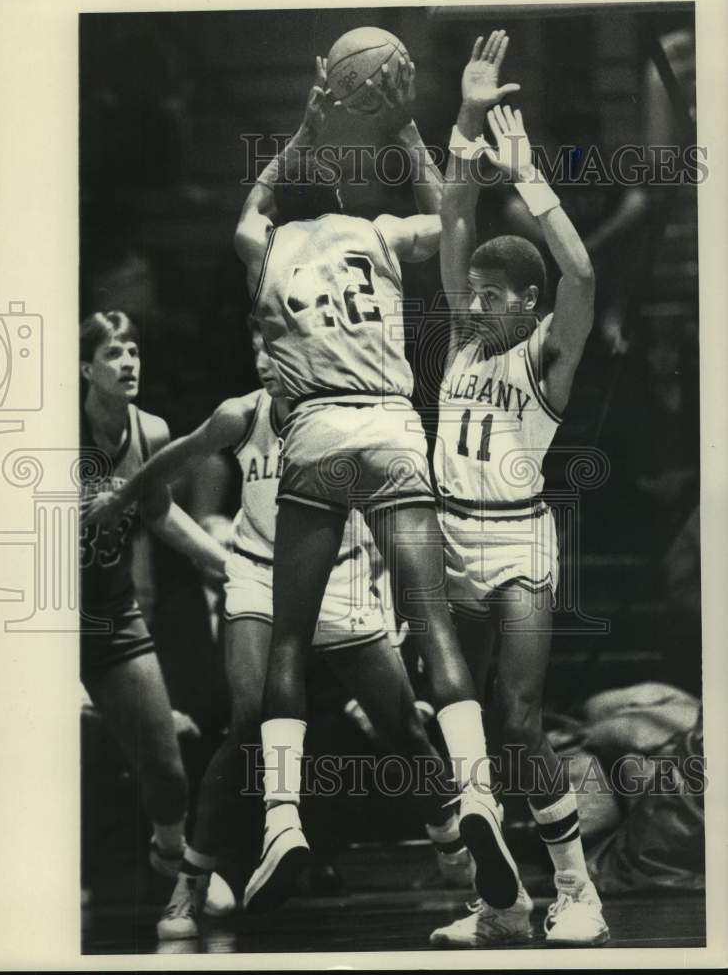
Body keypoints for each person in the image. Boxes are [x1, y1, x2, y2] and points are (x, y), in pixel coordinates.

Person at [233, 53, 520, 915]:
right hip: (394, 426)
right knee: (432, 626)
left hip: (317, 434)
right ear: (348, 197)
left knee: (288, 640)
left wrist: (308, 118)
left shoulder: (264, 244)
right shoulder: (383, 233)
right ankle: (474, 793)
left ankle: (282, 820)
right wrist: (403, 131)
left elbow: (252, 201)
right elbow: (455, 217)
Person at [86, 322, 469, 937]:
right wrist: (125, 492)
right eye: (259, 349)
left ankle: (452, 840)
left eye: (280, 350)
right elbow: (177, 455)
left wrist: (393, 592)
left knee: (402, 725)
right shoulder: (242, 413)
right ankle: (190, 885)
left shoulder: (352, 413)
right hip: (259, 576)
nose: (267, 360)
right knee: (245, 725)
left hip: (341, 577)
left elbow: (395, 506)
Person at [428, 32, 609, 946]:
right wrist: (464, 114)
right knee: (448, 719)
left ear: (527, 308)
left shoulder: (547, 356)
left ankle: (577, 892)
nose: (479, 299)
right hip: (444, 537)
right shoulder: (463, 338)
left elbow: (580, 272)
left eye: (498, 293)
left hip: (515, 542)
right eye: (478, 290)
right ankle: (501, 905)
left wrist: (529, 177)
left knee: (518, 720)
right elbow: (454, 211)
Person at [79, 310, 228, 879]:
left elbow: (162, 514)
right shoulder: (49, 433)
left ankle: (173, 862)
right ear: (85, 369)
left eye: (134, 352)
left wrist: (231, 565)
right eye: (115, 354)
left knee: (168, 774)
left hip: (115, 617)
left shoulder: (153, 432)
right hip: (44, 626)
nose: (128, 363)